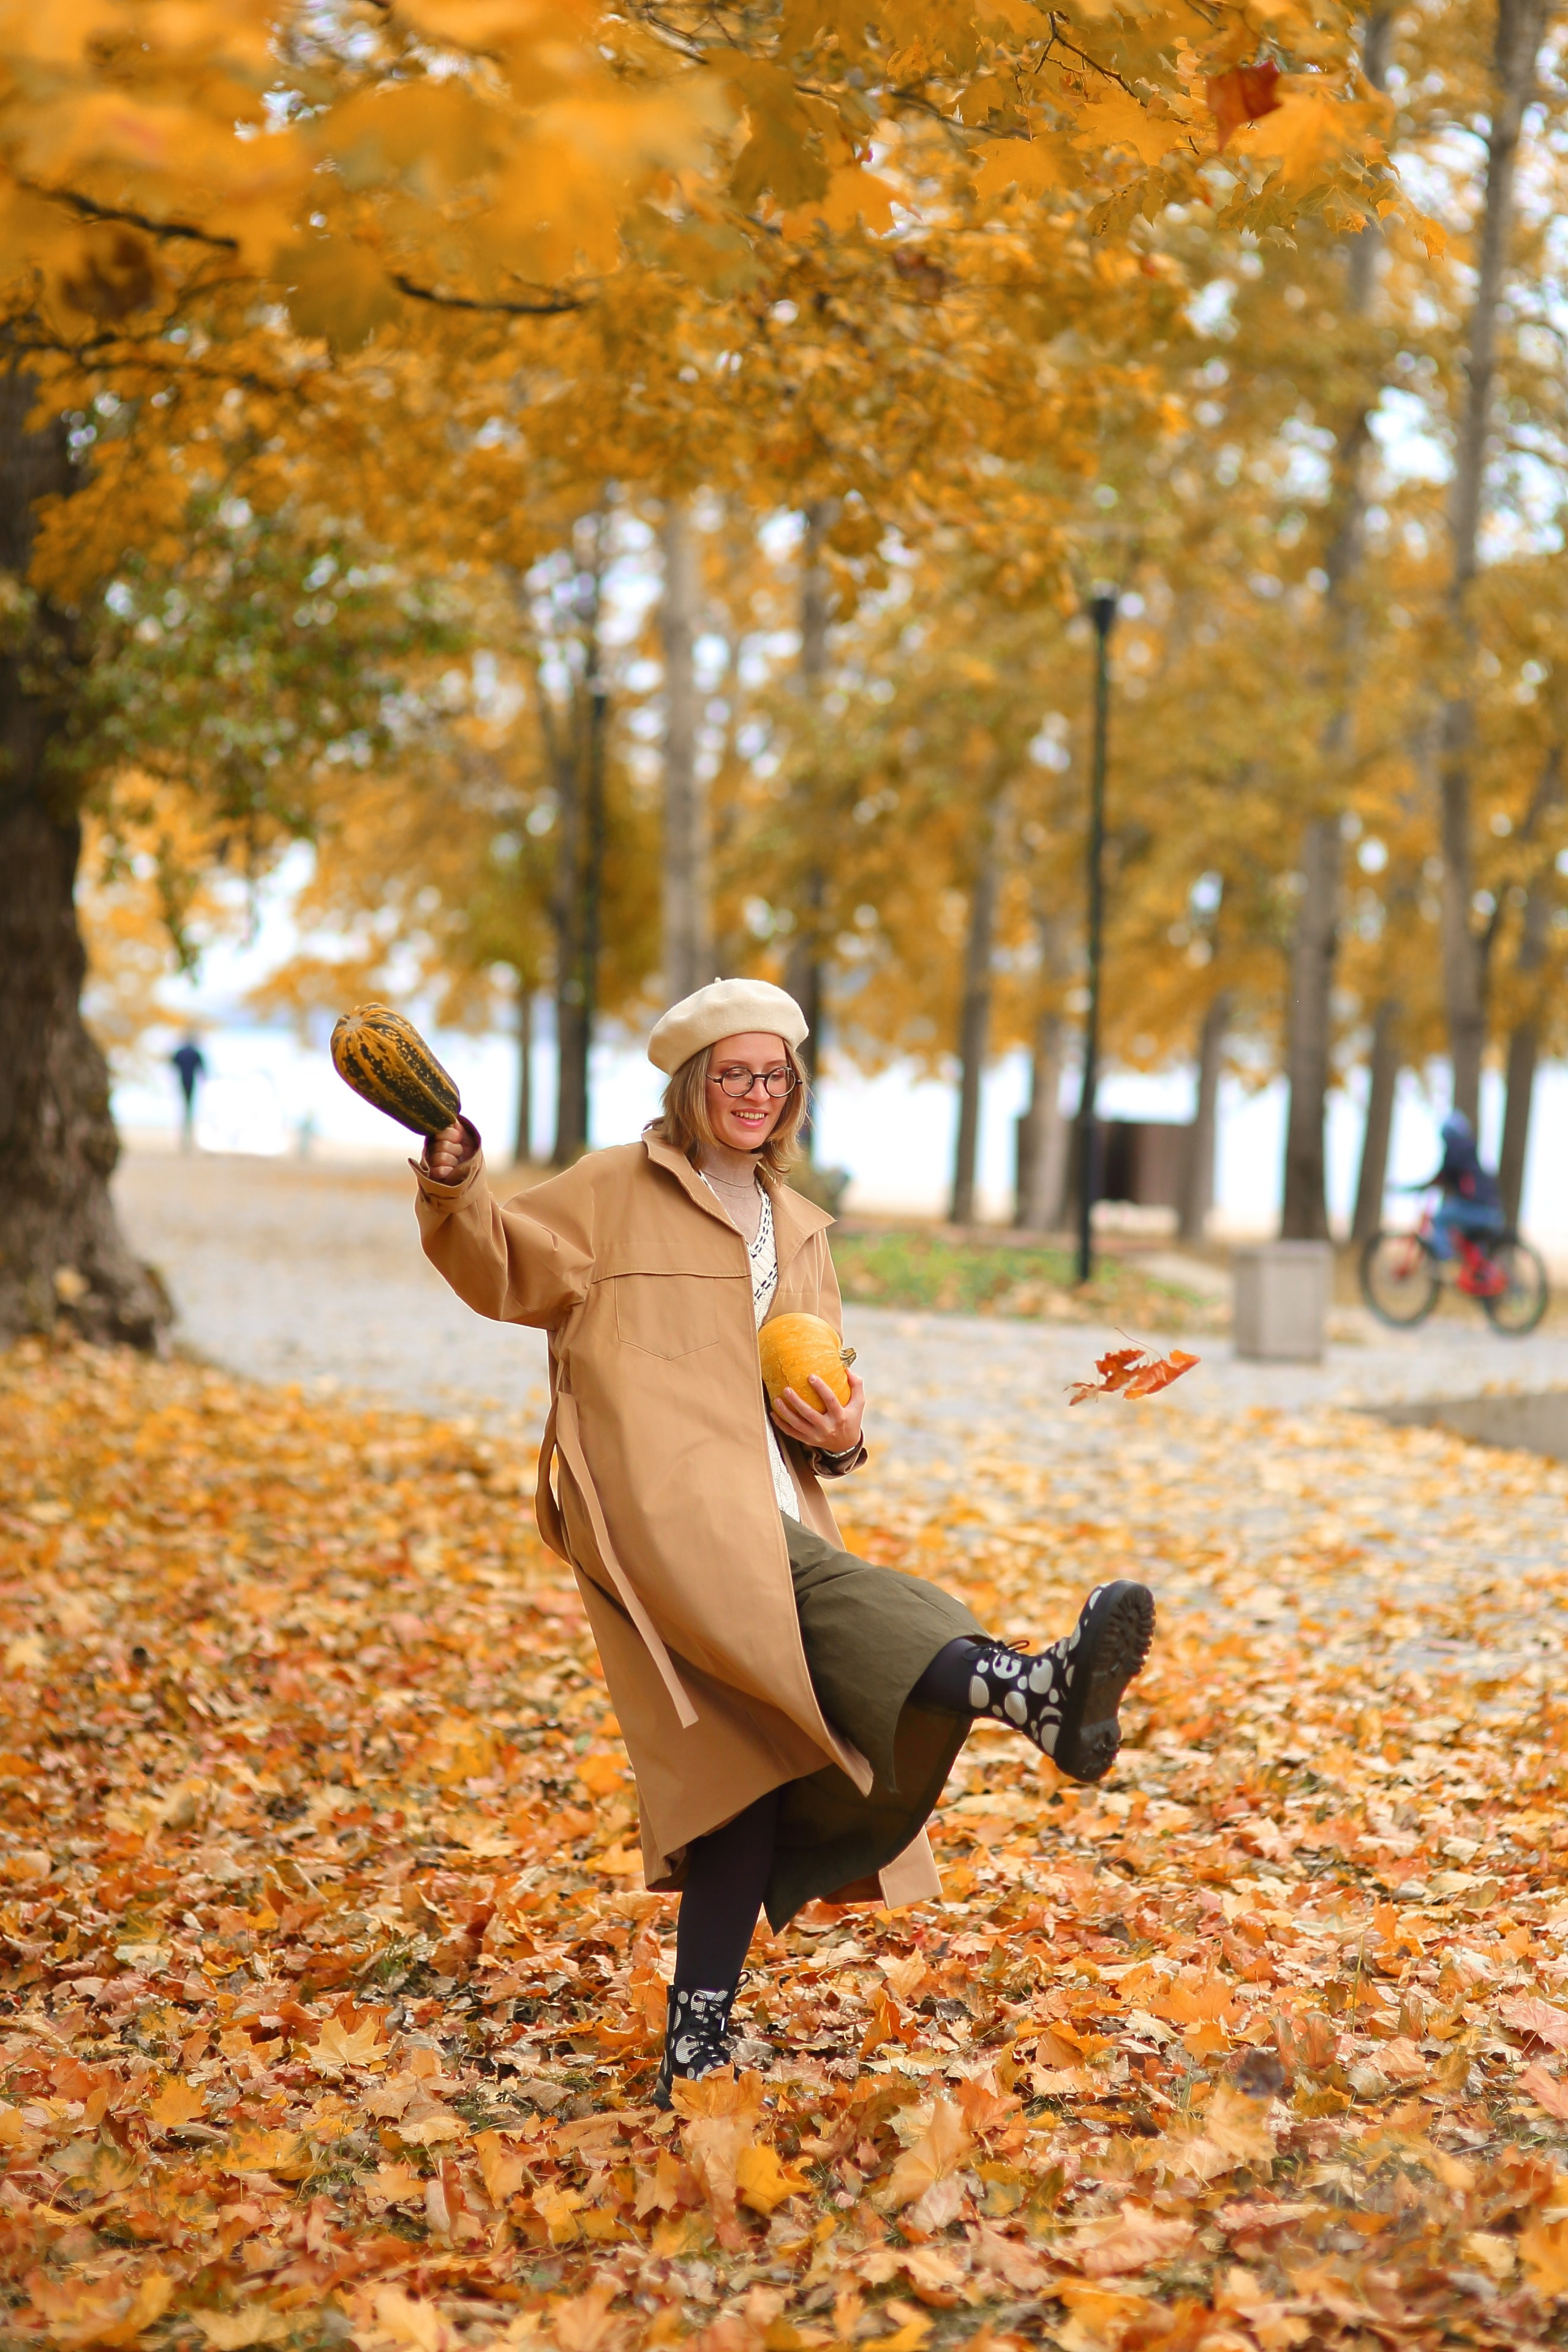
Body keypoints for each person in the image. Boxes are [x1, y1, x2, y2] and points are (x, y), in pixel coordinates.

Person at [412, 978, 1154, 2103]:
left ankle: (695, 2046)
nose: (755, 1095)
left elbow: (820, 1390)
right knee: (870, 1616)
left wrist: (847, 1435)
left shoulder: (796, 1228)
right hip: (664, 1508)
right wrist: (454, 1179)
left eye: (774, 1076)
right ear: (691, 1085)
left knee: (741, 1773)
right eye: (733, 1075)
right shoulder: (614, 1191)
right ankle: (1027, 1688)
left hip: (774, 1505)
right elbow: (498, 1265)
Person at [1411, 1111, 1505, 1261]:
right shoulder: (1470, 1155)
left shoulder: (1456, 1153)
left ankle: (1448, 1262)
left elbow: (1442, 1176)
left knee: (1440, 1218)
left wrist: (1418, 1188)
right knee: (1467, 1236)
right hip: (1493, 1211)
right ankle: (1477, 1272)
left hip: (1477, 1210)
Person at [170, 1036, 208, 1153]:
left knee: (185, 1109)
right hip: (190, 1082)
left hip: (183, 1081)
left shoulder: (181, 1053)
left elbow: (173, 1064)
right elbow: (202, 1070)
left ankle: (186, 1137)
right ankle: (187, 1137)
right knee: (188, 1109)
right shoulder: (195, 1053)